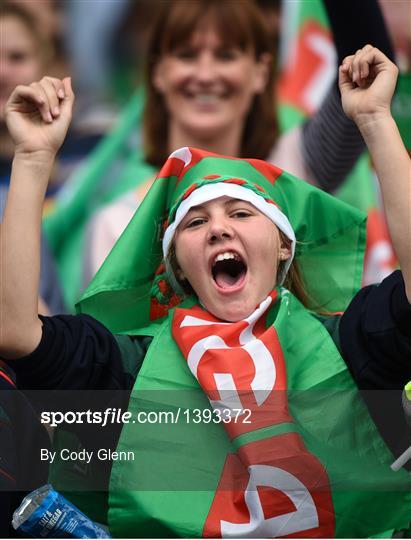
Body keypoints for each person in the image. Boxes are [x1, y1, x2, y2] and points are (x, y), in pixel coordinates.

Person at [1, 46, 410, 538]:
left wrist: (375, 120)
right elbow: (12, 330)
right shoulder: (127, 372)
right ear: (178, 268)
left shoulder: (348, 350)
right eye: (196, 222)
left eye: (240, 214)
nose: (218, 229)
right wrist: (32, 156)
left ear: (283, 246)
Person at [81, 0, 394, 287]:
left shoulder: (295, 168)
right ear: (157, 72)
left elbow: (368, 64)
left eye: (226, 55)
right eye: (186, 55)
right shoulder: (118, 224)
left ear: (260, 71)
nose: (205, 74)